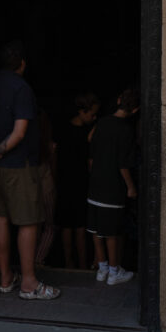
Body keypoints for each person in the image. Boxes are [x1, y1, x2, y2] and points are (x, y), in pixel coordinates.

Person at [0, 38, 59, 302]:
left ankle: (5, 278)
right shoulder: (22, 88)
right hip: (19, 166)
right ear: (22, 64)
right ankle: (29, 283)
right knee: (28, 222)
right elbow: (20, 132)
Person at [86, 86, 139, 286]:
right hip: (112, 187)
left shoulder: (102, 122)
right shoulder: (126, 130)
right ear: (135, 110)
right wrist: (131, 187)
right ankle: (114, 272)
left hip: (96, 184)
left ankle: (102, 268)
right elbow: (123, 164)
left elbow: (90, 139)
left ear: (118, 100)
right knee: (112, 233)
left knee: (97, 232)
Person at [53, 93, 101, 274]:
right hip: (78, 181)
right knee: (79, 225)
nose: (94, 117)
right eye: (92, 114)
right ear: (82, 112)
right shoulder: (85, 134)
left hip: (66, 180)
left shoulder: (64, 129)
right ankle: (79, 264)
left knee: (68, 225)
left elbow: (54, 154)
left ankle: (70, 262)